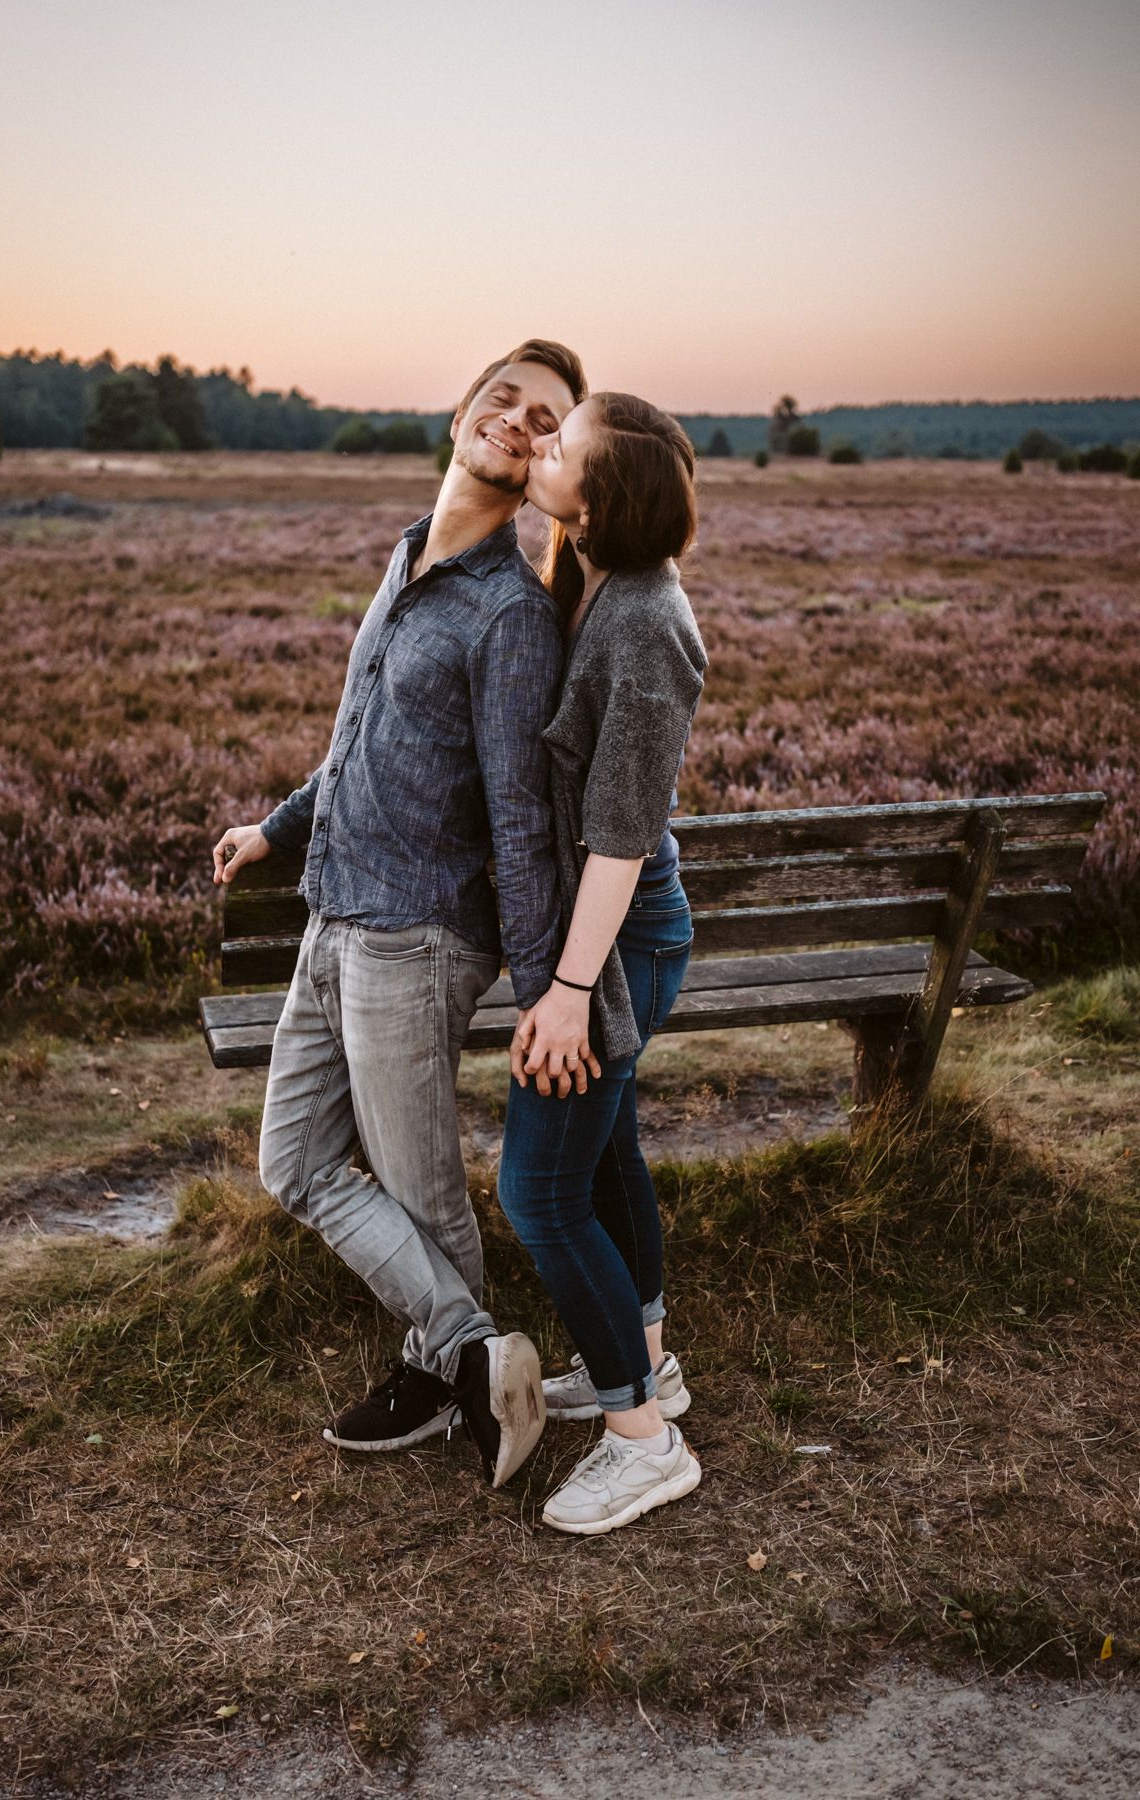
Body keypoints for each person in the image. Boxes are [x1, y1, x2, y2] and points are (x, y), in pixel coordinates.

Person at [210, 340, 587, 1488]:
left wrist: (543, 987)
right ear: (465, 409)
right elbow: (359, 739)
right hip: (333, 917)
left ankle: (449, 1383)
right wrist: (278, 827)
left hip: (415, 941)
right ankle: (476, 1357)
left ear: (547, 464)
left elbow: (520, 822)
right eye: (505, 399)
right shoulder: (407, 558)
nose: (518, 421)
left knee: (422, 1192)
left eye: (546, 420)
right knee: (294, 1163)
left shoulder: (510, 618)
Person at [495, 392, 708, 1535]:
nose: (541, 450)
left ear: (604, 496)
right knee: (608, 1152)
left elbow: (622, 830)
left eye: (561, 448)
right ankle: (648, 1369)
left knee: (535, 1189)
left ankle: (643, 1441)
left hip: (615, 943)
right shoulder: (602, 587)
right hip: (609, 931)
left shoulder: (642, 625)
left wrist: (572, 994)